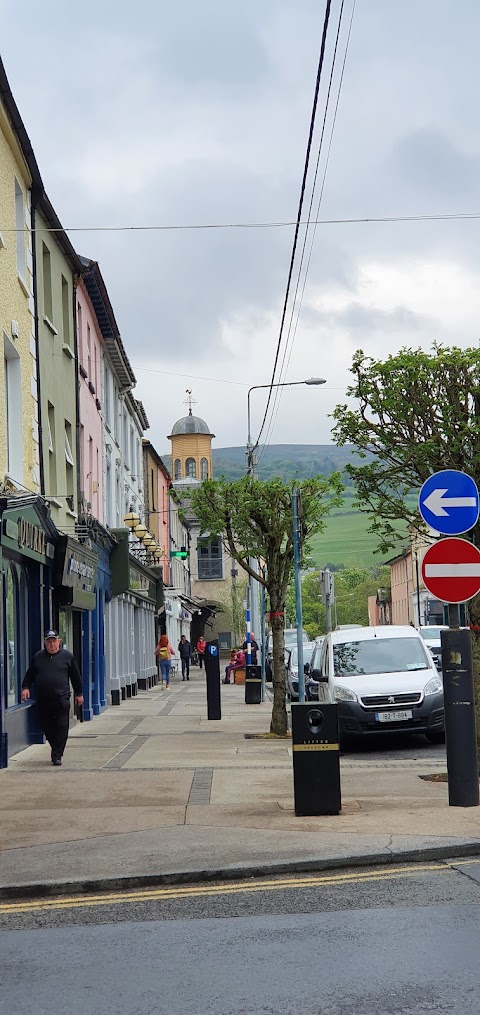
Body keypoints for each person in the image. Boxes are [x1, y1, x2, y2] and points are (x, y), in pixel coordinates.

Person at [21, 630, 83, 766]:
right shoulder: (38, 657)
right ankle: (55, 746)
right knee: (46, 726)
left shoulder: (67, 656)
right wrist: (25, 687)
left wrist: (79, 693)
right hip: (43, 699)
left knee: (61, 726)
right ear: (45, 642)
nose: (51, 644)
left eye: (54, 641)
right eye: (49, 641)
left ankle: (57, 755)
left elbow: (75, 676)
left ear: (59, 642)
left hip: (61, 698)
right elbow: (30, 674)